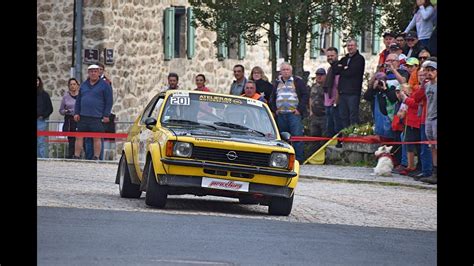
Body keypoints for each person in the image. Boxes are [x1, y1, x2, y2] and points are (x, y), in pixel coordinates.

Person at [269, 62, 309, 162]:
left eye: (287, 70)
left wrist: (299, 109)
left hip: (293, 114)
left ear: (291, 71)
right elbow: (272, 98)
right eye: (283, 70)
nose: (286, 71)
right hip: (281, 115)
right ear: (280, 72)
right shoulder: (277, 83)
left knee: (297, 137)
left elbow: (305, 95)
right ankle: (283, 160)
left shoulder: (297, 81)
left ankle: (298, 159)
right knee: (282, 138)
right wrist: (275, 110)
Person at [73, 64, 113, 160]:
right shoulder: (83, 85)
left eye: (95, 71)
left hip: (97, 116)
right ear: (88, 73)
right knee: (79, 137)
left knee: (97, 137)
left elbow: (109, 101)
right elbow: (78, 100)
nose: (93, 73)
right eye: (91, 71)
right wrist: (76, 112)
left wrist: (106, 115)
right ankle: (76, 156)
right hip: (83, 116)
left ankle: (96, 157)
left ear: (99, 72)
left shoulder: (105, 85)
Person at [337, 39, 365, 130]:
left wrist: (344, 69)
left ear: (356, 46)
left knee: (353, 115)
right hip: (342, 91)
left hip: (353, 92)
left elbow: (352, 72)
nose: (350, 47)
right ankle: (345, 135)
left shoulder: (359, 59)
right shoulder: (344, 59)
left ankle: (353, 135)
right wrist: (344, 69)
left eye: (352, 45)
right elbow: (336, 70)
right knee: (343, 116)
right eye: (348, 46)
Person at [419, 60, 437, 184]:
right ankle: (434, 172)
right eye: (428, 71)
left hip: (436, 118)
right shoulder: (427, 85)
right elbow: (418, 98)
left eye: (432, 71)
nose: (429, 73)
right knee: (432, 147)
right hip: (428, 118)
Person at [322, 47, 341, 138]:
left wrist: (335, 103)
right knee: (329, 130)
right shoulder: (330, 69)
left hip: (334, 103)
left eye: (332, 55)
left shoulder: (338, 68)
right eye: (328, 56)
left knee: (336, 128)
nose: (330, 57)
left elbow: (338, 87)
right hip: (327, 103)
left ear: (337, 56)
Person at [59, 78, 80, 158]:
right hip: (69, 120)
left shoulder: (81, 95)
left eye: (74, 84)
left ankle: (79, 155)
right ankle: (71, 155)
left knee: (80, 138)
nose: (72, 86)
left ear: (77, 85)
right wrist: (66, 111)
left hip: (79, 119)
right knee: (71, 139)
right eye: (71, 84)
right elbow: (61, 110)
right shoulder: (66, 97)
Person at [37, 76, 53, 158]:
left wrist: (43, 116)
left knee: (41, 141)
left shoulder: (44, 95)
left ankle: (41, 159)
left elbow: (50, 108)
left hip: (40, 122)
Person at [309, 68, 327, 137]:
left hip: (324, 115)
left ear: (325, 76)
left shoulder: (327, 86)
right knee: (314, 136)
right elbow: (310, 98)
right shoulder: (313, 87)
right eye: (317, 75)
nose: (319, 76)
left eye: (321, 75)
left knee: (325, 136)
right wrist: (311, 111)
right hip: (314, 115)